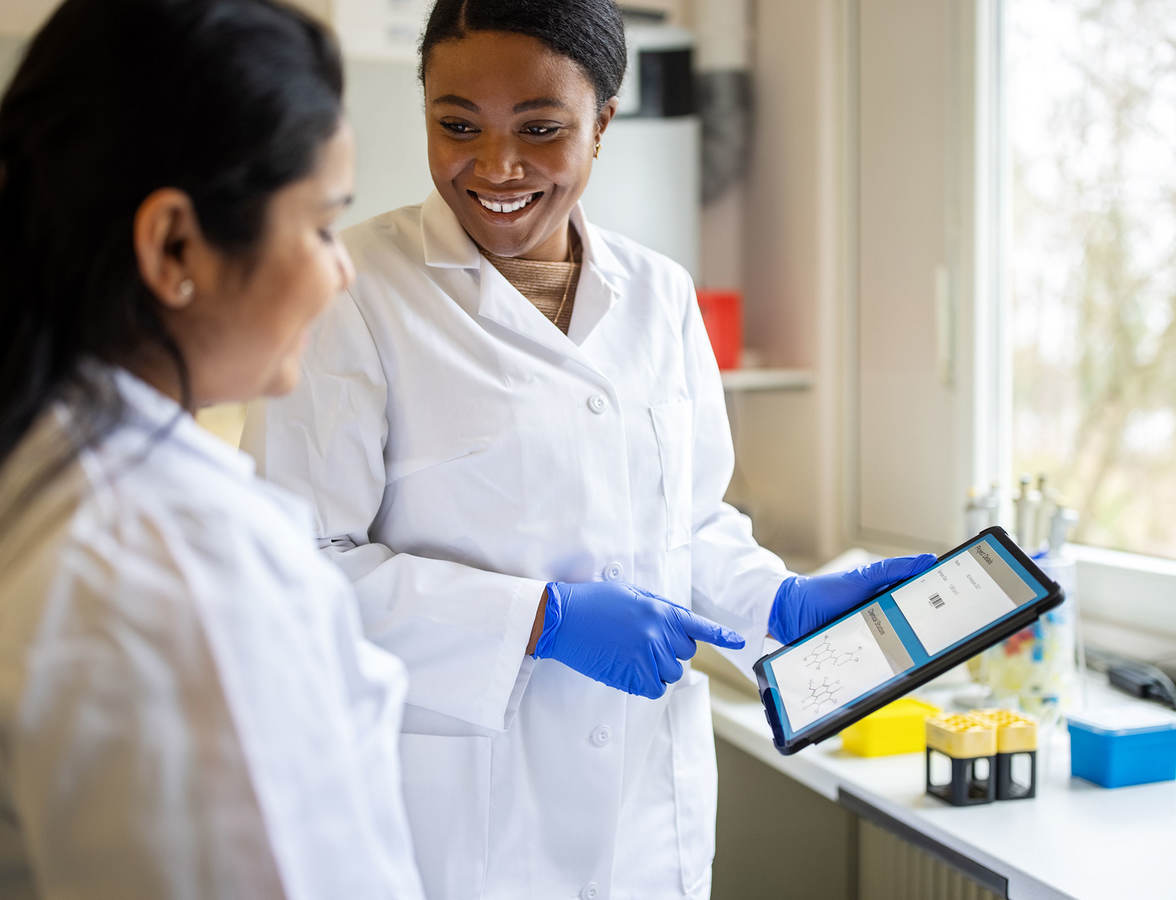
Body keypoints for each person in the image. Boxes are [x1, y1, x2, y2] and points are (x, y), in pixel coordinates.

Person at [242, 0, 934, 897]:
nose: (496, 166)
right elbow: (296, 577)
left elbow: (687, 518)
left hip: (649, 817)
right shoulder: (353, 293)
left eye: (542, 129)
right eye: (458, 125)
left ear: (602, 123)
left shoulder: (658, 294)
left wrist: (780, 601)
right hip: (461, 825)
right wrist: (542, 619)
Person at [0, 1, 424, 896]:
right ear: (173, 245)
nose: (340, 268)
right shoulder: (174, 571)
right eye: (317, 226)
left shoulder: (52, 464)